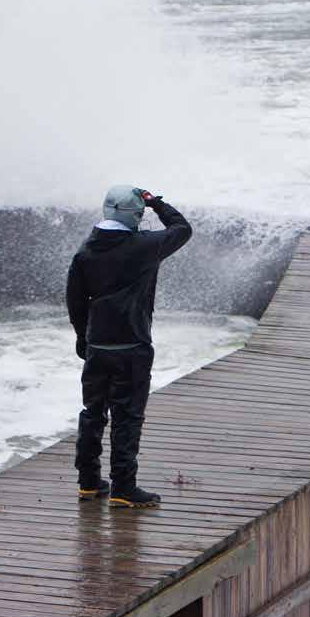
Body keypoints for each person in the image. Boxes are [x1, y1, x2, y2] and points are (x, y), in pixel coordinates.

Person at [67, 185, 192, 508]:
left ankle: (88, 482)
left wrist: (84, 337)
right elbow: (182, 229)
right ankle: (123, 487)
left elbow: (76, 301)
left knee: (92, 412)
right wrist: (156, 203)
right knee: (127, 416)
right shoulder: (144, 246)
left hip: (98, 344)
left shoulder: (85, 252)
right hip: (132, 344)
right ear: (135, 214)